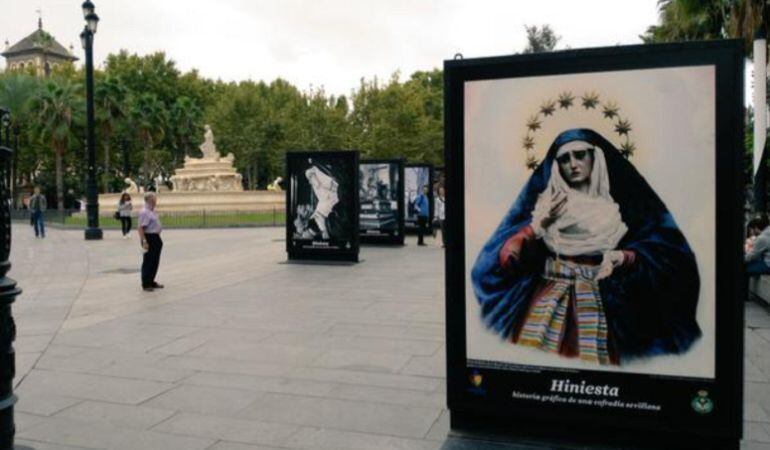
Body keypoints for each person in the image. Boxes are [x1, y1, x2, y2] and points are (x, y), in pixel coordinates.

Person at [471, 128, 701, 366]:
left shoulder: (622, 204)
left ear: (595, 157)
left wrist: (624, 258)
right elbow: (508, 256)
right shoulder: (547, 204)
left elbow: (665, 250)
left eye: (580, 155)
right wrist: (537, 228)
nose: (573, 164)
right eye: (564, 159)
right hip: (550, 294)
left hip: (606, 298)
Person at [137, 192, 164, 291]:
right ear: (150, 200)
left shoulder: (152, 211)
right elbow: (141, 228)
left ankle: (151, 280)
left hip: (155, 237)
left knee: (155, 261)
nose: (156, 201)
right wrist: (144, 240)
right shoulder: (145, 212)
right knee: (148, 261)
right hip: (149, 237)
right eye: (154, 199)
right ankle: (146, 283)